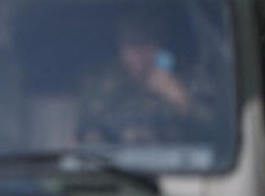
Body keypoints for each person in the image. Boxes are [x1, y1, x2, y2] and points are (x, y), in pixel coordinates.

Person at [77, 15, 213, 146]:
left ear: (160, 47)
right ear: (121, 50)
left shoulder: (192, 80)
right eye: (131, 44)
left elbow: (216, 130)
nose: (139, 52)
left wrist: (179, 98)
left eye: (146, 43)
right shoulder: (101, 87)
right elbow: (82, 136)